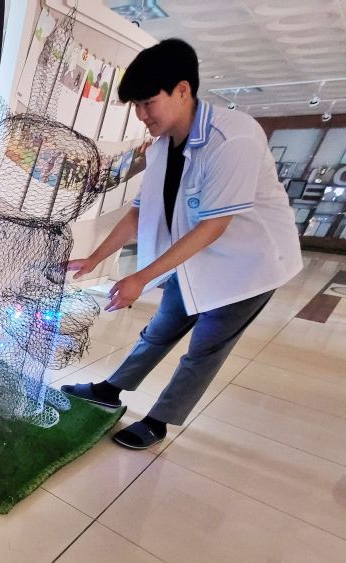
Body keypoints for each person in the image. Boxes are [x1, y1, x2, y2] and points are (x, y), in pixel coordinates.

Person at [62, 38, 302, 450]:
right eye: (135, 105)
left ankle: (159, 420)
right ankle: (110, 390)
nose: (141, 115)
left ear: (182, 90)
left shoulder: (234, 138)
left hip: (249, 264)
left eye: (148, 103)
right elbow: (139, 213)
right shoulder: (160, 149)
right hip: (192, 256)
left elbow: (214, 225)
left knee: (205, 346)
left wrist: (140, 278)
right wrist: (94, 259)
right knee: (160, 329)